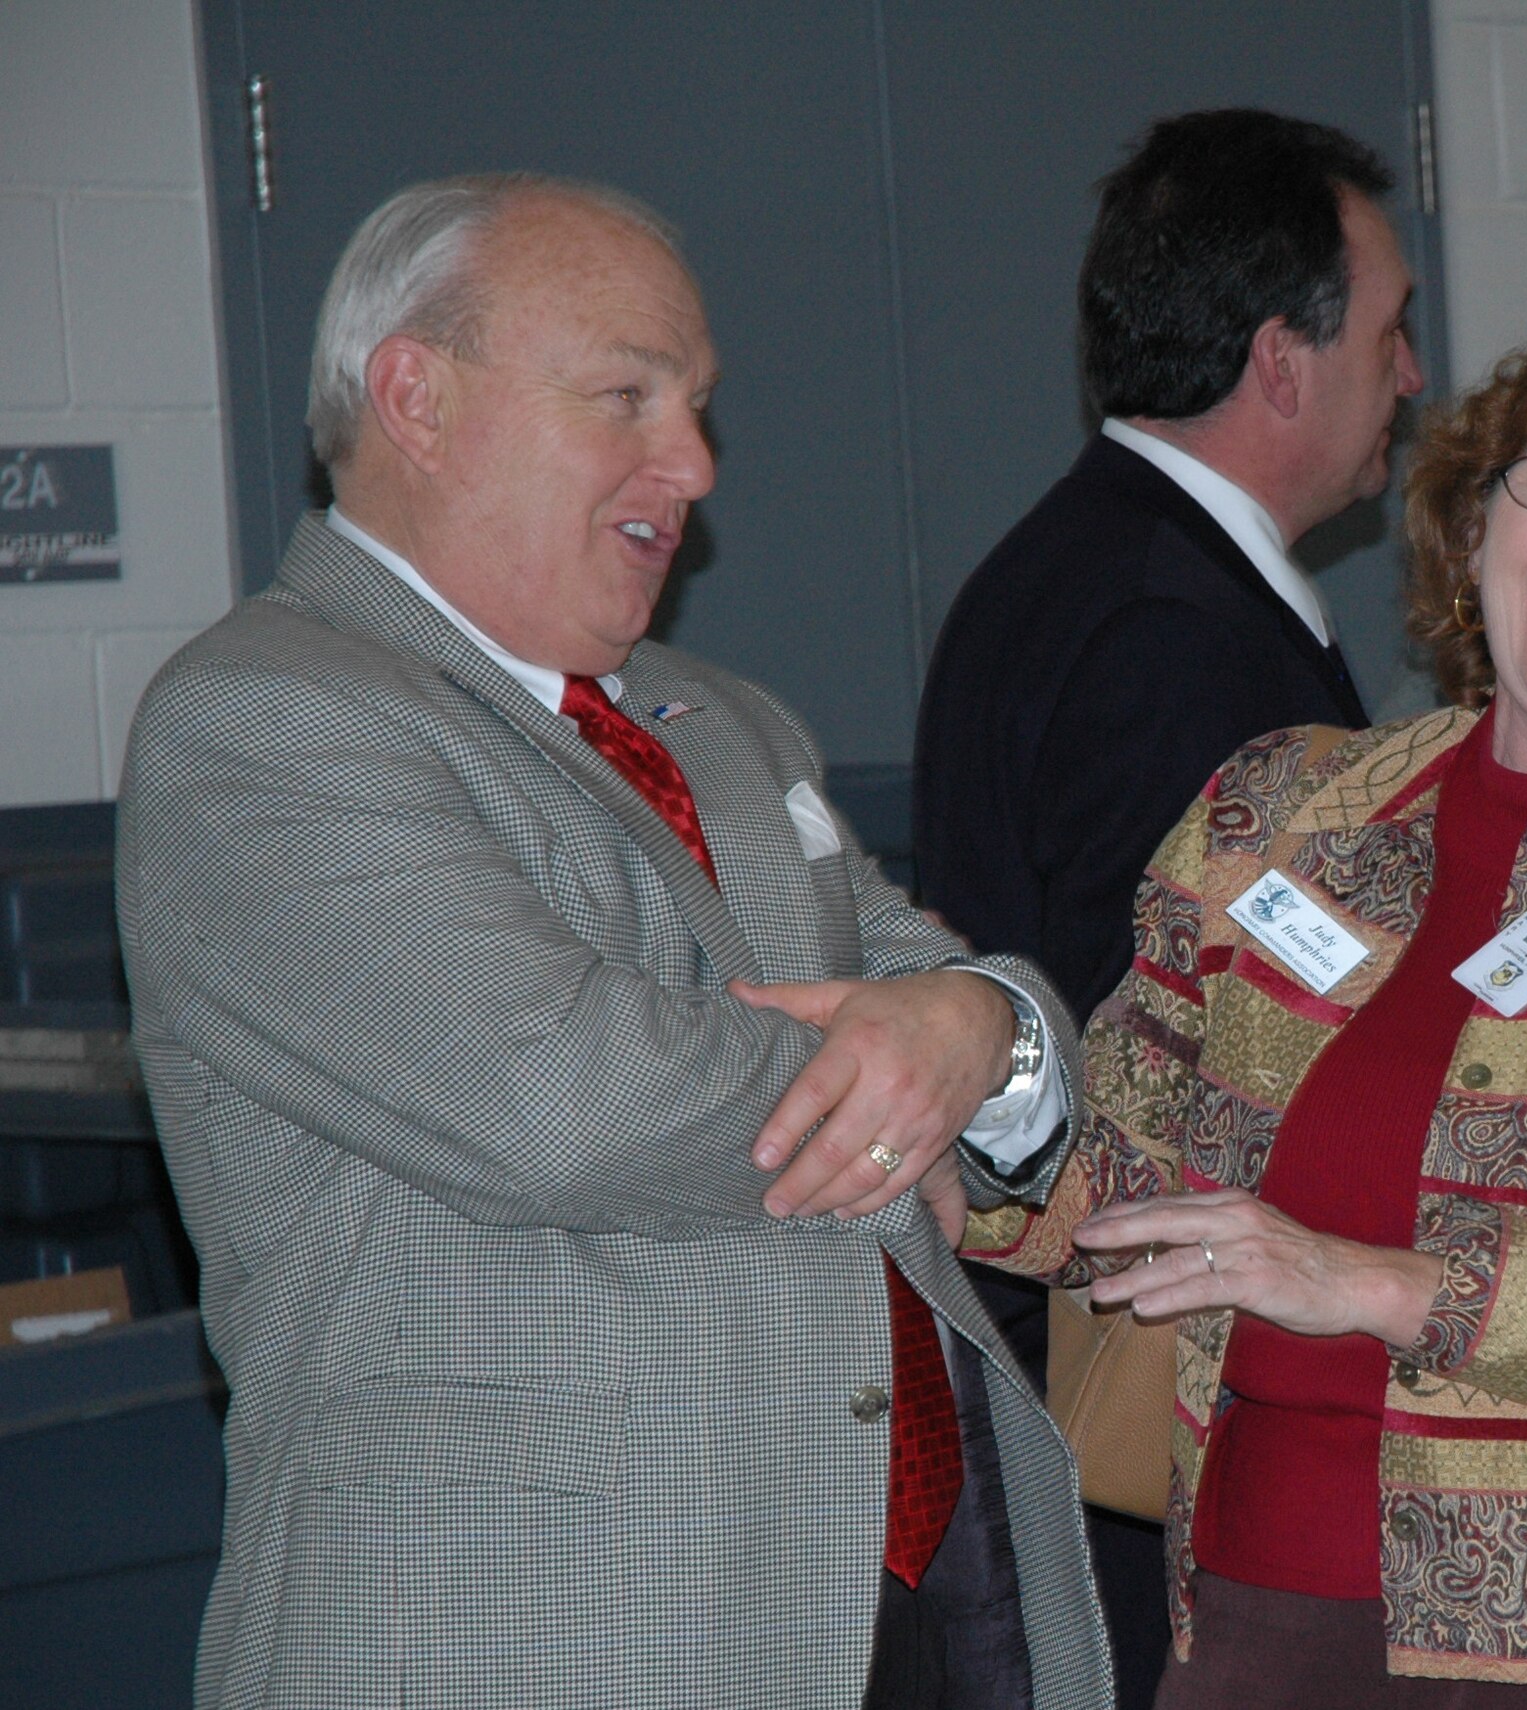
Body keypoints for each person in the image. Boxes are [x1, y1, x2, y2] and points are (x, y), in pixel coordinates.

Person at [114, 173, 1112, 1710]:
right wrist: (911, 1056)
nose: (695, 463)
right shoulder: (265, 720)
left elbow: (955, 981)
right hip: (542, 1633)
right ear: (418, 399)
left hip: (904, 1597)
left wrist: (981, 1028)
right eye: (627, 398)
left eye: (700, 406)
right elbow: (567, 1098)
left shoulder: (727, 721)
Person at [945, 303, 1527, 1708]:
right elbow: (1116, 1191)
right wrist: (983, 1094)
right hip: (1252, 1613)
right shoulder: (1276, 813)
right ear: (1473, 535)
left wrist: (1361, 1281)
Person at [913, 108, 1422, 1700]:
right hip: (1169, 1434)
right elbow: (1191, 1071)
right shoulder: (1166, 631)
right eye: (1394, 330)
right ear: (1283, 360)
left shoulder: (1107, 566)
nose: (1413, 375)